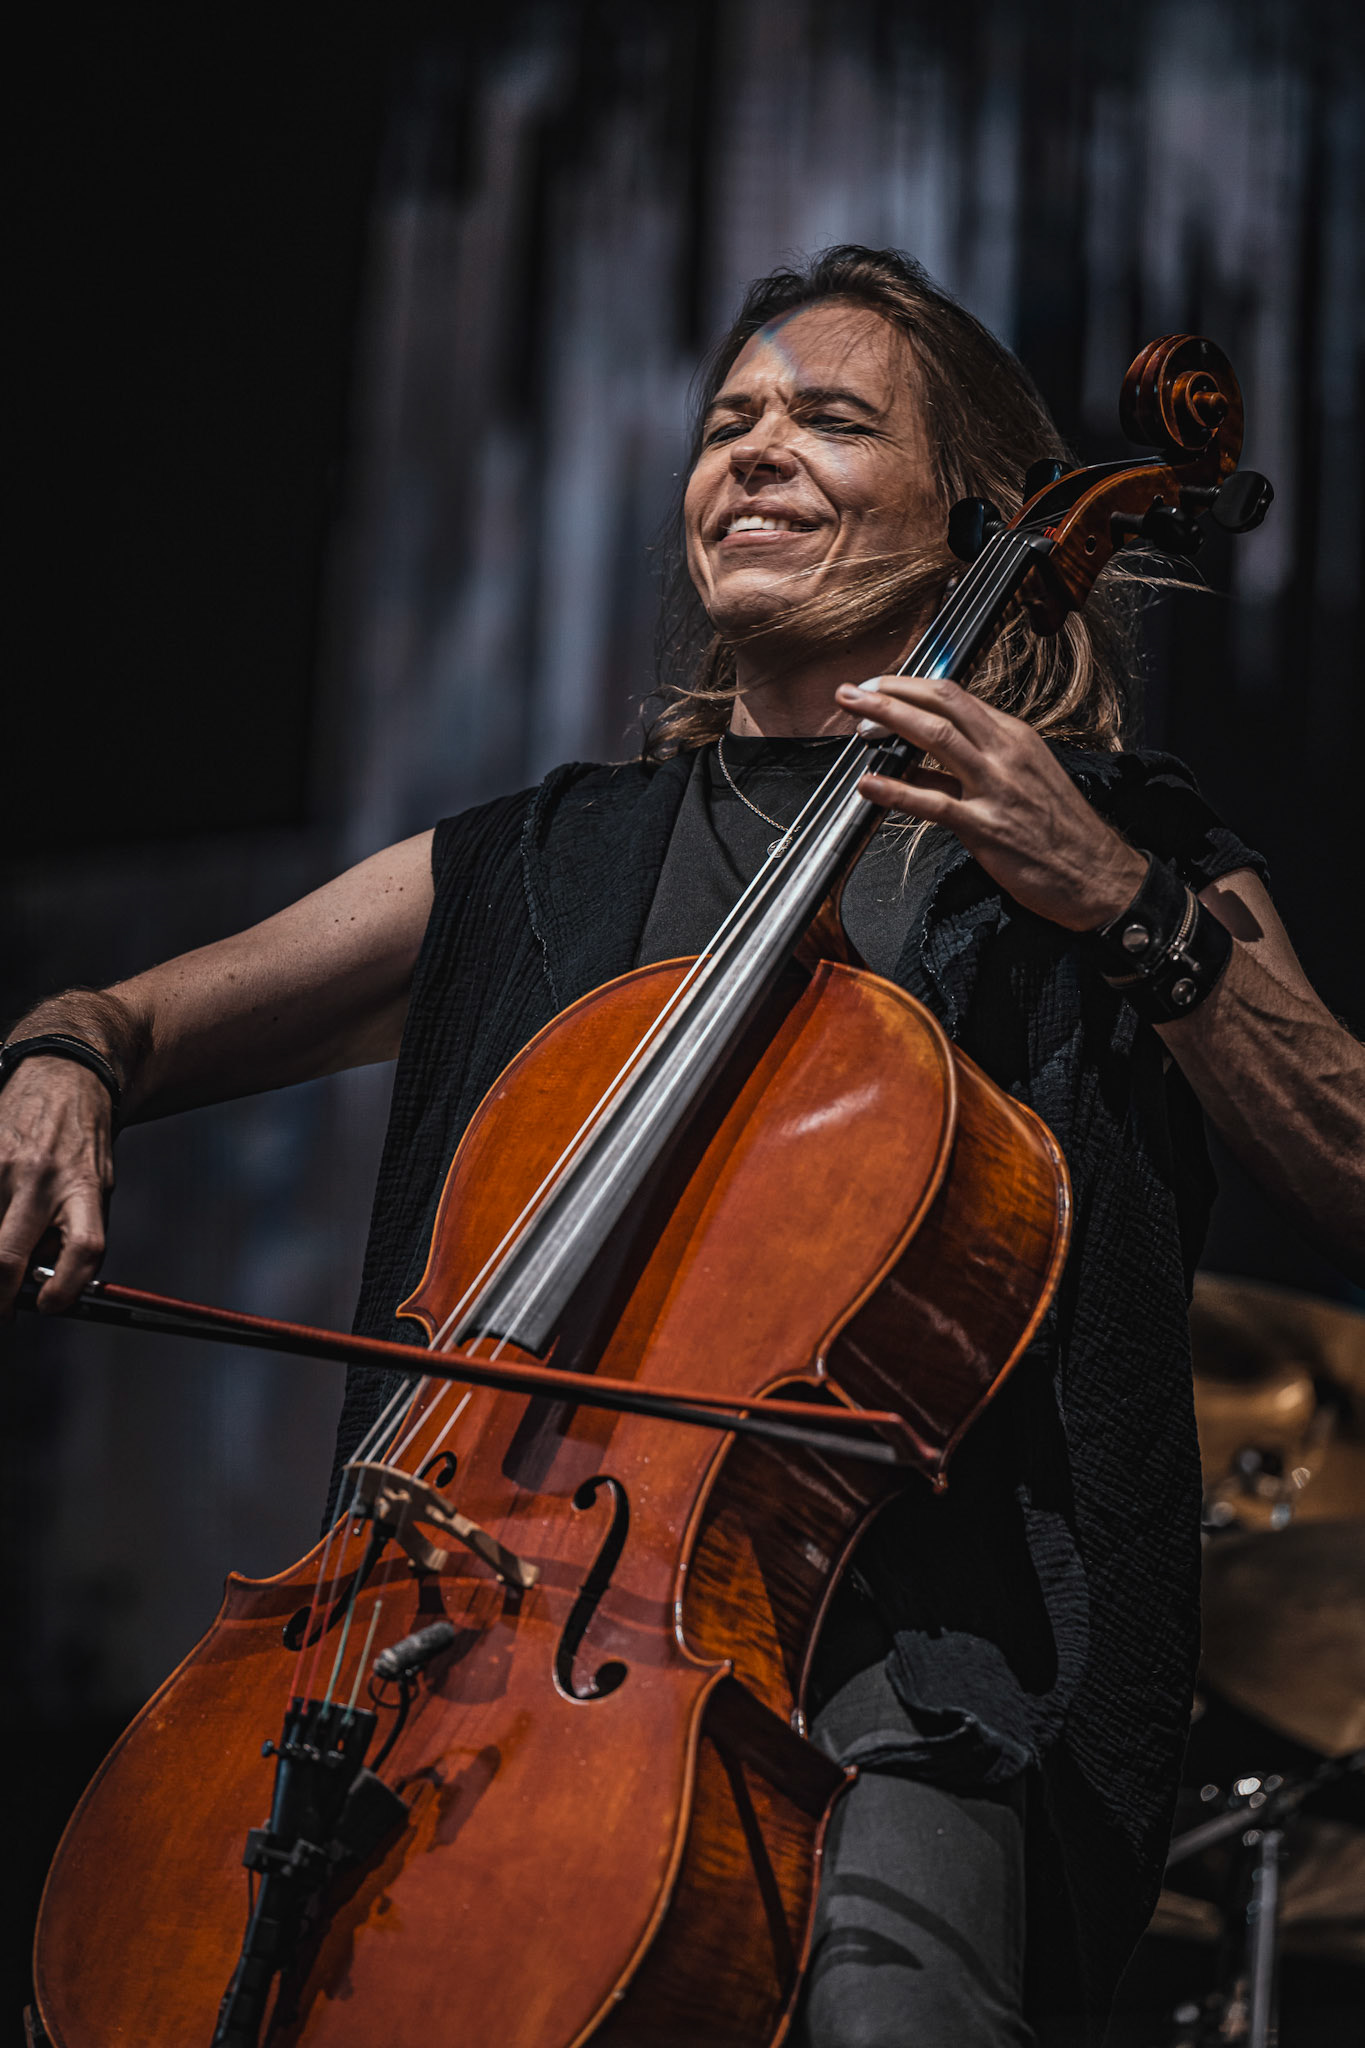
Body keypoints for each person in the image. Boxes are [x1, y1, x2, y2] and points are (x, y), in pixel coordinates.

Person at [2, 247, 1362, 2046]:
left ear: (972, 512)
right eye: (728, 421)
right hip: (452, 1626)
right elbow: (140, 1018)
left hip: (920, 1669)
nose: (754, 452)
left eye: (827, 418)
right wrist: (58, 1056)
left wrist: (1124, 903)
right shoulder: (540, 859)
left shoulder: (1104, 839)